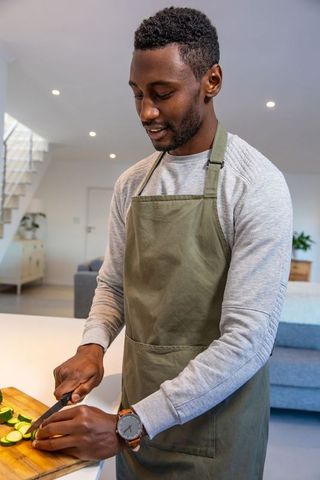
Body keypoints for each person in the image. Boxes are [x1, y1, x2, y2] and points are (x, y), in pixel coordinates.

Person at [33, 7, 293, 479]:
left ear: (211, 81)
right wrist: (93, 346)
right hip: (135, 420)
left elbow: (248, 341)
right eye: (136, 94)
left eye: (162, 94)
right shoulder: (132, 184)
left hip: (215, 431)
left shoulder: (256, 185)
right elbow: (113, 283)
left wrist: (128, 425)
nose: (146, 112)